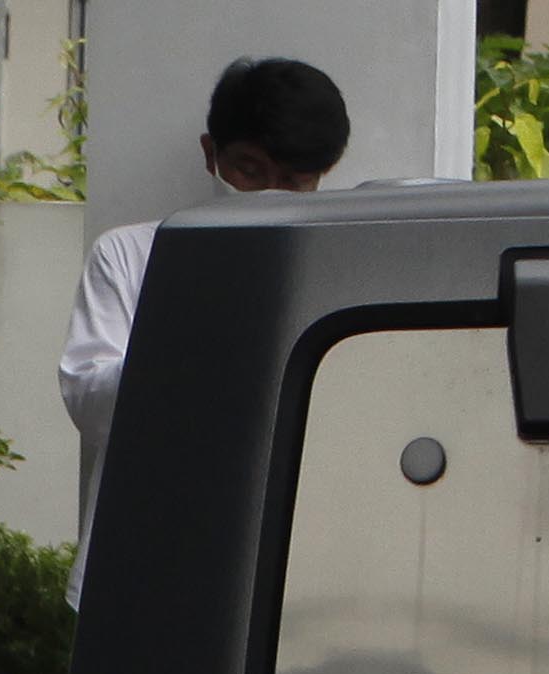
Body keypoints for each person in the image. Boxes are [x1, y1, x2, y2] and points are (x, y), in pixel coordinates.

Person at [61, 58, 352, 579]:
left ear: (320, 177)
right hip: (146, 554)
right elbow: (88, 402)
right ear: (209, 153)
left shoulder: (341, 270)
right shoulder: (130, 255)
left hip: (294, 561)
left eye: (292, 179)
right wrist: (182, 344)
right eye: (249, 169)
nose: (268, 193)